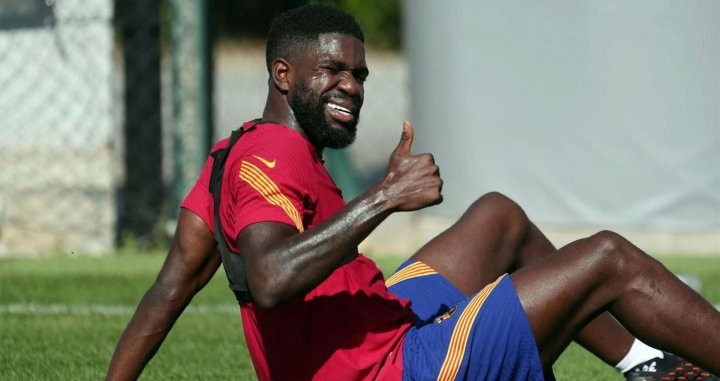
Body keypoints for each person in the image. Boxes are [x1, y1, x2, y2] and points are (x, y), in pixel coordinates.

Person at [106, 5, 720, 380]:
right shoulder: (274, 154)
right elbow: (268, 281)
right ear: (283, 74)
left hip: (379, 326)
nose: (351, 86)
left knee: (497, 217)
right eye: (332, 72)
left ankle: (642, 365)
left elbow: (167, 290)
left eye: (360, 74)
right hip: (392, 370)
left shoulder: (232, 151)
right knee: (607, 255)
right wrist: (384, 197)